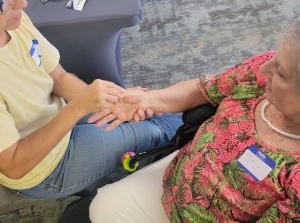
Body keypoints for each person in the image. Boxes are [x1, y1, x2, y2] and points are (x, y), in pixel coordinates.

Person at [0, 0, 183, 199]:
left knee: (153, 109)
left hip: (60, 120)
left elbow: (59, 77)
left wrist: (117, 100)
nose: (22, 1)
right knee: (160, 131)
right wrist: (80, 107)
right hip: (43, 167)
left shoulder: (12, 19)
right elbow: (14, 164)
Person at [89, 22, 300, 222]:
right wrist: (148, 99)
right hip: (176, 174)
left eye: (280, 72)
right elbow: (205, 89)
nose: (265, 67)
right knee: (101, 205)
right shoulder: (261, 72)